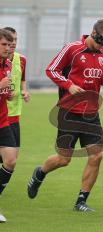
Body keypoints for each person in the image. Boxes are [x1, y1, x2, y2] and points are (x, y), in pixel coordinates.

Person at [27, 19, 103, 212]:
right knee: (64, 160)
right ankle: (40, 173)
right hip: (69, 112)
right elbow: (51, 70)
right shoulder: (72, 48)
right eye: (99, 40)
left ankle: (81, 201)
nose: (101, 45)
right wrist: (69, 85)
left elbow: (95, 78)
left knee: (97, 156)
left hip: (91, 113)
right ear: (92, 32)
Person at [0, 27, 30, 164]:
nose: (12, 44)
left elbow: (22, 79)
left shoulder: (17, 61)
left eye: (14, 40)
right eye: (6, 43)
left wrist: (22, 91)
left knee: (12, 158)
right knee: (8, 158)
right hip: (5, 114)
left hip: (11, 114)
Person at [0, 29, 17, 223]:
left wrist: (7, 93)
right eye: (4, 44)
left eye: (10, 44)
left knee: (10, 160)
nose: (8, 48)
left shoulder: (8, 64)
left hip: (3, 121)